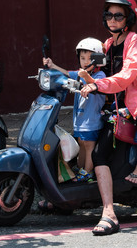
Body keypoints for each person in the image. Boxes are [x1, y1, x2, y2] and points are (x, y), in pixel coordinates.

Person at [80, 0, 137, 236]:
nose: (112, 19)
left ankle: (110, 212)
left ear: (129, 18)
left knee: (99, 153)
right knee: (83, 136)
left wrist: (98, 85)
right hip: (110, 104)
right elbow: (92, 68)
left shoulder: (134, 41)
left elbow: (127, 75)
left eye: (118, 15)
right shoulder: (106, 45)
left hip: (131, 102)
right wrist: (70, 76)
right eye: (109, 15)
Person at [42, 38, 106, 182]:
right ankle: (80, 167)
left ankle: (88, 172)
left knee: (89, 146)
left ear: (98, 60)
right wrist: (53, 66)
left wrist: (86, 77)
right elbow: (67, 73)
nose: (84, 61)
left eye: (89, 58)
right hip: (80, 119)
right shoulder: (81, 73)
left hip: (91, 120)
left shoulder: (99, 76)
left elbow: (97, 84)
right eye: (82, 58)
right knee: (81, 144)